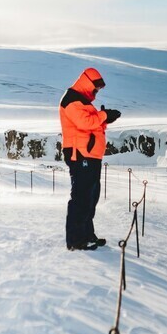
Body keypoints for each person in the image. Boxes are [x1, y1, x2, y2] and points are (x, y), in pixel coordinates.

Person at [59, 67, 121, 251]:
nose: (97, 92)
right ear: (88, 83)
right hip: (80, 155)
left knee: (91, 197)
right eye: (96, 88)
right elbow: (84, 123)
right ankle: (76, 240)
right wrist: (104, 116)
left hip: (91, 155)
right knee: (81, 198)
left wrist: (105, 119)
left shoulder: (83, 101)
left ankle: (87, 235)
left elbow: (93, 125)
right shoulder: (71, 100)